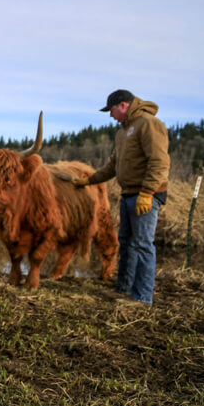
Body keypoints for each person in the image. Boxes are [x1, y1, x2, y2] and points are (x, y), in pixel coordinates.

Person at [73, 89, 169, 306]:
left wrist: (147, 193)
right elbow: (113, 166)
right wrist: (89, 180)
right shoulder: (123, 132)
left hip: (145, 195)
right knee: (125, 242)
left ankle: (142, 297)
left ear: (124, 105)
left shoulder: (148, 124)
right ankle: (124, 290)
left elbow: (159, 162)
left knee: (143, 244)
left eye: (112, 110)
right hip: (128, 195)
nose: (110, 115)